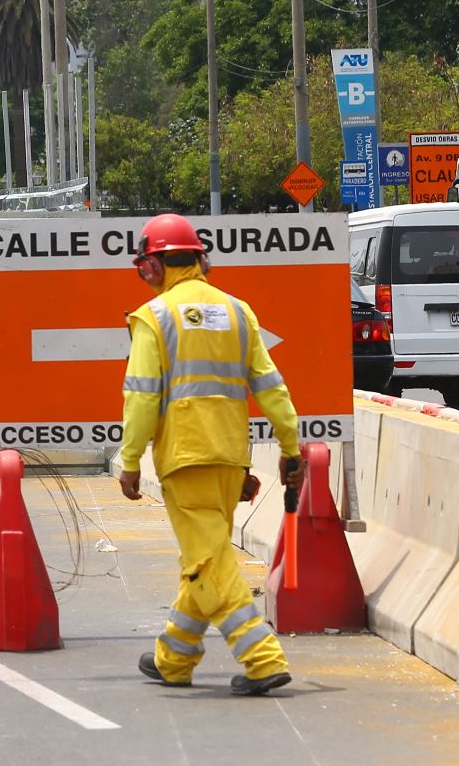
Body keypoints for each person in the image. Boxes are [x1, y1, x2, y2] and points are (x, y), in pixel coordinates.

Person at [117, 212, 303, 696]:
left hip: (185, 457)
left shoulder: (153, 317)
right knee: (205, 556)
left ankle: (261, 657)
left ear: (153, 266)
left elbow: (141, 396)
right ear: (200, 260)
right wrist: (289, 447)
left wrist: (131, 459)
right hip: (230, 455)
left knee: (207, 561)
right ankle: (174, 658)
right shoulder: (239, 312)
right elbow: (272, 387)